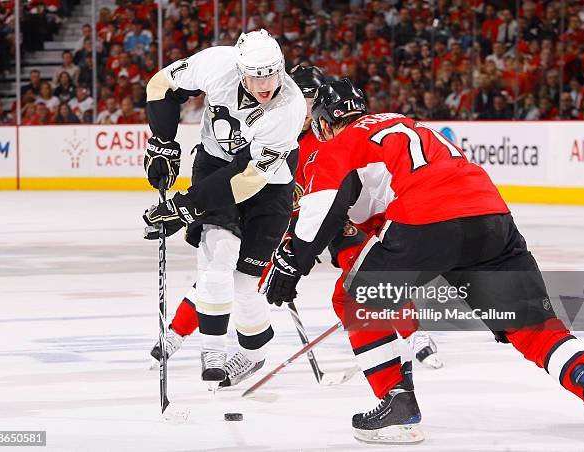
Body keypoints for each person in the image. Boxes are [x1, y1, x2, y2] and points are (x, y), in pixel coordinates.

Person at [261, 79, 584, 444]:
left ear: (324, 122)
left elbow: (321, 211)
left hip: (427, 220)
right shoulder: (408, 125)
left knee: (353, 297)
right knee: (534, 325)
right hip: (492, 217)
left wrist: (292, 261)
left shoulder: (341, 144)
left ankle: (397, 402)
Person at [148, 66, 442, 385]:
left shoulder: (328, 135)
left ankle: (413, 334)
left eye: (311, 101)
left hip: (336, 214)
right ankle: (177, 333)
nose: (304, 110)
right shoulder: (272, 130)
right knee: (234, 271)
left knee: (364, 267)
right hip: (288, 219)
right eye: (301, 99)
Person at [141, 29, 306, 390]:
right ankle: (211, 351)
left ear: (281, 68)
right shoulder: (217, 64)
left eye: (271, 74)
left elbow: (248, 178)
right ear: (239, 68)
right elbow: (161, 86)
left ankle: (254, 352)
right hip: (214, 164)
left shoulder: (289, 107)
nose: (265, 84)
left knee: (245, 284)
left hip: (268, 182)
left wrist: (186, 205)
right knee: (217, 255)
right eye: (255, 75)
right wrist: (162, 143)